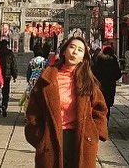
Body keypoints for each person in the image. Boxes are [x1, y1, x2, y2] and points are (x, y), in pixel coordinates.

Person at [25, 36, 108, 168]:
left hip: (80, 138)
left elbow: (100, 109)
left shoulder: (88, 81)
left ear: (83, 58)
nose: (75, 52)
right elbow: (33, 110)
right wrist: (39, 137)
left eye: (80, 50)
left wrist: (94, 133)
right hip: (51, 138)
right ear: (64, 51)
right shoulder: (47, 78)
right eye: (72, 47)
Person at [92, 46, 122, 121]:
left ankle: (99, 120)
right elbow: (118, 74)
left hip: (100, 85)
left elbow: (94, 73)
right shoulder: (114, 61)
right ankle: (106, 122)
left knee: (99, 103)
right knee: (107, 105)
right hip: (110, 86)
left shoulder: (99, 60)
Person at [0, 39, 18, 117]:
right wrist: (14, 75)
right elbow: (13, 65)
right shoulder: (10, 53)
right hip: (7, 75)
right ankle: (4, 105)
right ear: (7, 45)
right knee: (6, 92)